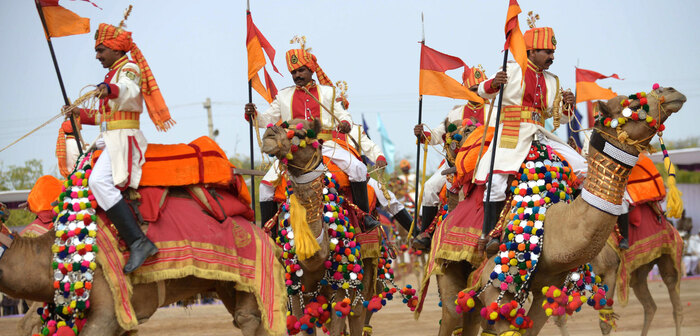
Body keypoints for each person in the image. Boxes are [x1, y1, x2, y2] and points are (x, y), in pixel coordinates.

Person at [63, 21, 174, 274]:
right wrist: (78, 113)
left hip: (124, 138)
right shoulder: (111, 74)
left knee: (99, 183)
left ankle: (138, 241)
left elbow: (130, 90)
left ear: (115, 49)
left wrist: (110, 89)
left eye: (101, 50)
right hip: (109, 137)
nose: (97, 55)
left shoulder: (129, 69)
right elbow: (105, 117)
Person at [474, 25, 586, 252]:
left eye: (553, 53)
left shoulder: (553, 81)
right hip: (511, 134)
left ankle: (579, 228)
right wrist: (495, 82)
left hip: (540, 133)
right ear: (532, 51)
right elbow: (483, 91)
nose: (552, 57)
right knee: (494, 183)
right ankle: (490, 235)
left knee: (582, 166)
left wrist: (568, 104)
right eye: (547, 52)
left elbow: (561, 119)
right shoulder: (511, 69)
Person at [245, 47, 379, 231]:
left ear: (311, 70)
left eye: (301, 70)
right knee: (265, 187)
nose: (297, 75)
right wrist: (254, 114)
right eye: (293, 72)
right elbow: (266, 119)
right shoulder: (283, 96)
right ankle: (269, 236)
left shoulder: (328, 93)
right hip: (294, 147)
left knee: (358, 168)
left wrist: (346, 123)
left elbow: (343, 115)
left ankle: (365, 218)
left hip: (326, 144)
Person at [413, 66, 491, 248]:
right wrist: (422, 134)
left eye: (480, 89)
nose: (477, 94)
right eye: (472, 90)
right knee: (430, 187)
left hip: (484, 163)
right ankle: (427, 235)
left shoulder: (494, 111)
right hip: (454, 163)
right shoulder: (455, 113)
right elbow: (436, 135)